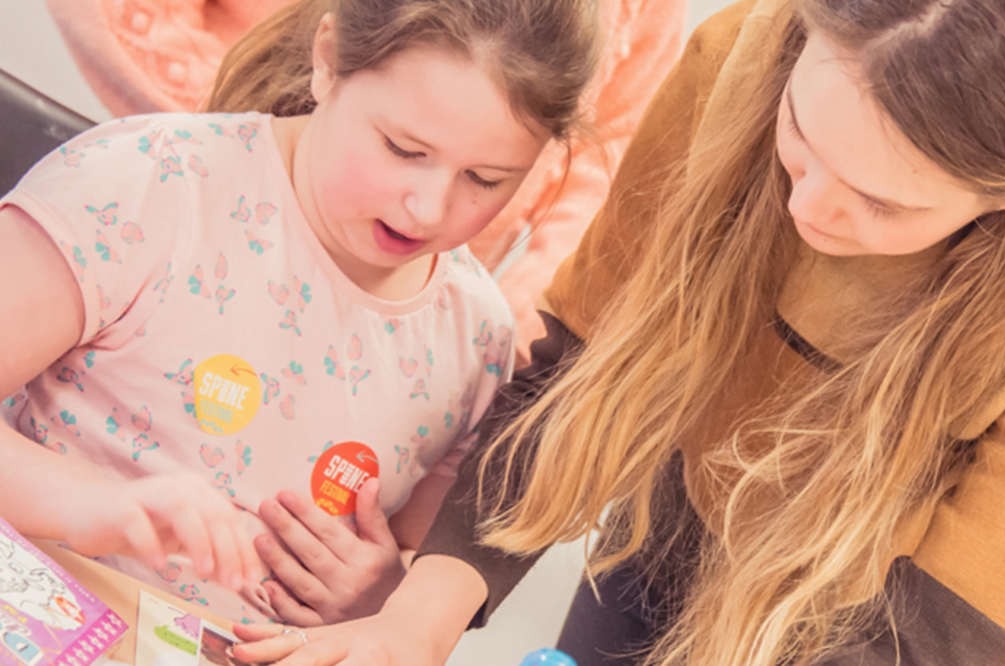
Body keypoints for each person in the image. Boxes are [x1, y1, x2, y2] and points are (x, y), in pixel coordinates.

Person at [229, 0, 1005, 664]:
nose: (805, 210)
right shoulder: (734, 59)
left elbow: (950, 633)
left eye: (882, 204)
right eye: (799, 139)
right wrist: (417, 623)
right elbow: (577, 366)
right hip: (667, 516)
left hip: (881, 617)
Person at [0, 0, 598, 624]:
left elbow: (408, 574)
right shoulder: (148, 186)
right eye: (403, 148)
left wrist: (383, 596)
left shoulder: (476, 338)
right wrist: (85, 505)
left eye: (484, 178)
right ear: (328, 59)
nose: (427, 207)